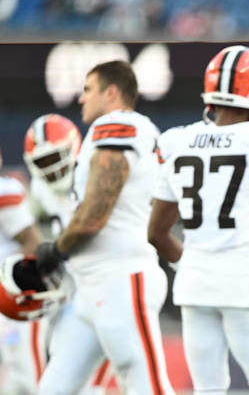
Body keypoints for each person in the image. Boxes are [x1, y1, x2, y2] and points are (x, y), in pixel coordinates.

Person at [147, 45, 249, 395]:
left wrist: (193, 264)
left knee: (207, 390)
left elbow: (157, 233)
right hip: (244, 283)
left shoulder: (176, 140)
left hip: (193, 284)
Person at [33, 60, 175, 395]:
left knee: (146, 386)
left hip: (121, 280)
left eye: (88, 89)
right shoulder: (122, 131)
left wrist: (55, 250)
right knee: (53, 390)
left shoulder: (118, 125)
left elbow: (95, 214)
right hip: (92, 287)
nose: (81, 99)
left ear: (111, 92)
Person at [22, 113, 114, 393]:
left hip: (114, 285)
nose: (52, 169)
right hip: (77, 292)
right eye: (43, 163)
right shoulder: (39, 189)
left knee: (132, 377)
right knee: (58, 384)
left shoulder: (95, 174)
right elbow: (27, 231)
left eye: (55, 158)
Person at [0, 149, 45, 394]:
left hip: (8, 299)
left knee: (24, 377)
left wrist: (12, 286)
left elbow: (33, 242)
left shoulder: (4, 191)